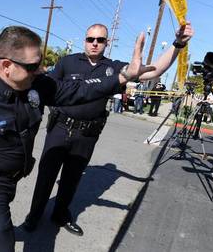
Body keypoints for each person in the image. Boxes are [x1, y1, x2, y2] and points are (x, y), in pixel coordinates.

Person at [0, 25, 153, 252]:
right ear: (7, 65)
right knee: (1, 239)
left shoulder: (36, 84)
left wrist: (124, 77)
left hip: (14, 175)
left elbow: (78, 91)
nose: (40, 69)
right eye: (33, 65)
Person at [22, 22, 194, 236]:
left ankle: (60, 214)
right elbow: (50, 89)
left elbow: (154, 70)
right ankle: (34, 215)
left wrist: (177, 44)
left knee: (72, 179)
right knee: (46, 176)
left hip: (86, 134)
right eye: (90, 39)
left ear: (107, 42)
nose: (94, 44)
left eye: (100, 40)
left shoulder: (114, 67)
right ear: (85, 40)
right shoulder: (67, 61)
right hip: (59, 128)